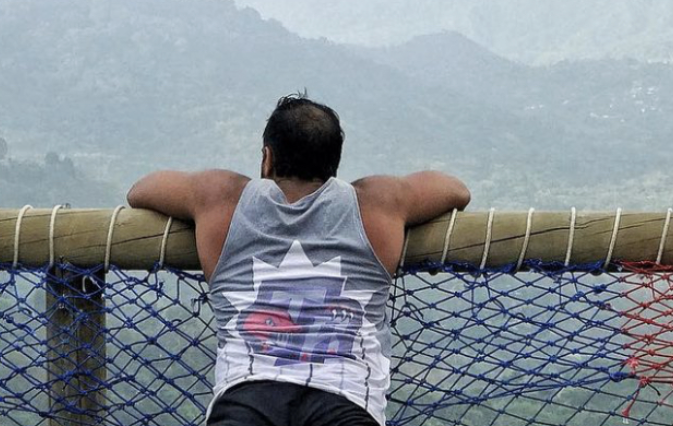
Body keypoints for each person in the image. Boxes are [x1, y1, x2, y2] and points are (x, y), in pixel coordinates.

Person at [127, 92, 470, 426]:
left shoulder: (221, 199)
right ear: (333, 163)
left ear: (267, 158)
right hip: (346, 396)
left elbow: (140, 190)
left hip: (246, 392)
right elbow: (456, 190)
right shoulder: (378, 204)